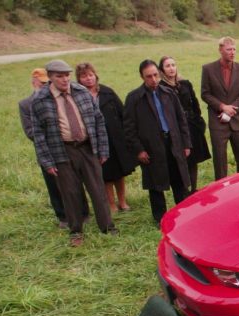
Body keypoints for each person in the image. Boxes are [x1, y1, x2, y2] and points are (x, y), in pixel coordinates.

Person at [29, 59, 117, 247]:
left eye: (67, 75)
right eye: (59, 76)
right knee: (70, 193)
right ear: (51, 77)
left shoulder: (81, 92)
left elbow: (98, 120)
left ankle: (107, 226)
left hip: (87, 147)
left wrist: (102, 149)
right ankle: (76, 231)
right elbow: (38, 134)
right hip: (62, 151)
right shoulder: (40, 100)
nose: (65, 79)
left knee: (97, 189)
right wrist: (47, 162)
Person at [123, 60, 192, 227]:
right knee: (156, 183)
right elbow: (128, 127)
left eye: (155, 75)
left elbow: (181, 120)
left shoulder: (168, 93)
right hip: (151, 147)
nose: (153, 80)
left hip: (173, 143)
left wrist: (186, 143)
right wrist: (139, 150)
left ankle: (184, 213)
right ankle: (160, 218)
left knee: (179, 180)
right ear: (142, 77)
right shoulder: (134, 98)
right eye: (149, 77)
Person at [19, 68, 88, 228]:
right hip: (48, 151)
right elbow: (31, 131)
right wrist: (52, 138)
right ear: (34, 82)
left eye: (47, 83)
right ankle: (63, 217)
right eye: (42, 83)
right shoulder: (26, 104)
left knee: (75, 183)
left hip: (68, 149)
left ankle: (84, 213)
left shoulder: (59, 98)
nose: (45, 86)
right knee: (54, 185)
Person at [75, 62, 137, 213]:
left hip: (115, 139)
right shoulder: (78, 96)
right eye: (84, 76)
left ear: (95, 75)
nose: (88, 79)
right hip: (95, 141)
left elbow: (123, 113)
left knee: (120, 172)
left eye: (90, 75)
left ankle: (122, 201)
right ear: (79, 79)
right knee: (106, 174)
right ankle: (111, 203)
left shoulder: (107, 92)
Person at [159, 55, 211, 193]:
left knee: (193, 159)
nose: (171, 68)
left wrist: (198, 122)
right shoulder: (161, 88)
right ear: (162, 70)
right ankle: (183, 190)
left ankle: (193, 189)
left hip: (191, 125)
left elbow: (195, 104)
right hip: (174, 128)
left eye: (173, 65)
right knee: (180, 160)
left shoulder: (185, 84)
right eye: (167, 66)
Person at [201, 36, 239, 180]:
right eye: (229, 49)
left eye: (234, 49)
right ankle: (221, 190)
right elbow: (205, 94)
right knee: (220, 161)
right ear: (220, 50)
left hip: (237, 120)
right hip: (218, 122)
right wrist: (222, 107)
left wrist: (232, 108)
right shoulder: (208, 69)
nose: (232, 52)